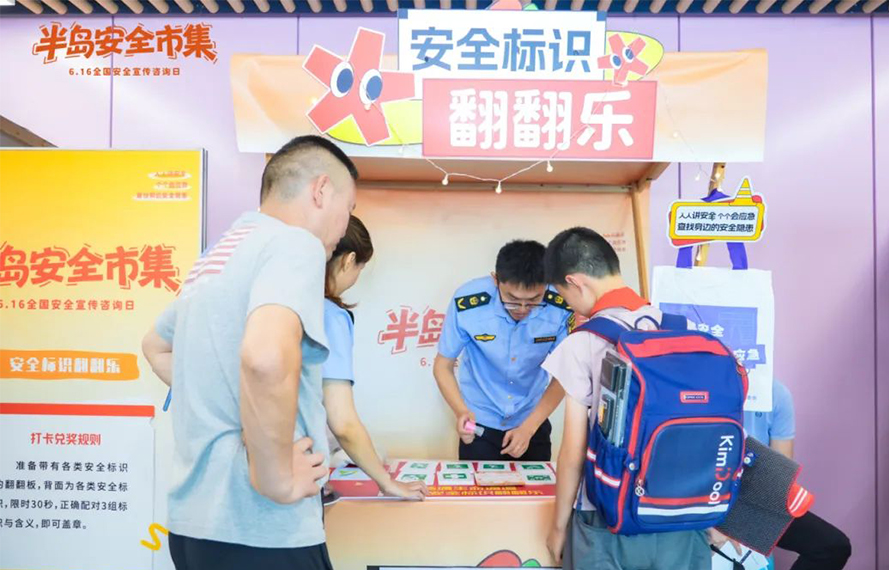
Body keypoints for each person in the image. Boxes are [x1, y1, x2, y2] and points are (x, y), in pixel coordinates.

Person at [141, 135, 357, 570]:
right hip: (262, 530)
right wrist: (275, 478)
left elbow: (157, 346)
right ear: (321, 190)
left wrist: (233, 411)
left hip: (193, 527)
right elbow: (265, 357)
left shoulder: (222, 252)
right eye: (348, 209)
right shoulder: (295, 244)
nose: (343, 228)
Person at [540, 227, 712, 570]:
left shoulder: (583, 342)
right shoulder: (686, 330)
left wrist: (558, 527)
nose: (569, 305)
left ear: (575, 282)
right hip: (682, 515)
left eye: (563, 295)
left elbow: (573, 452)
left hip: (607, 517)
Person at [433, 240, 573, 461]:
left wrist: (529, 427)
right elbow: (443, 365)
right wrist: (461, 411)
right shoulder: (468, 303)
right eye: (512, 300)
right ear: (496, 280)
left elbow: (564, 374)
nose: (522, 309)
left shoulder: (561, 307)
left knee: (537, 484)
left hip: (531, 421)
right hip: (479, 422)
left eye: (534, 300)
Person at [321, 215, 428, 502]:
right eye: (360, 268)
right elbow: (343, 422)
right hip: (298, 483)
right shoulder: (331, 317)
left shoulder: (279, 304)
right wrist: (387, 483)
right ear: (348, 260)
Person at [743, 380, 852, 570]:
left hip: (752, 496)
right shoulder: (697, 388)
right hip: (703, 496)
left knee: (832, 546)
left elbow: (780, 474)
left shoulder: (775, 393)